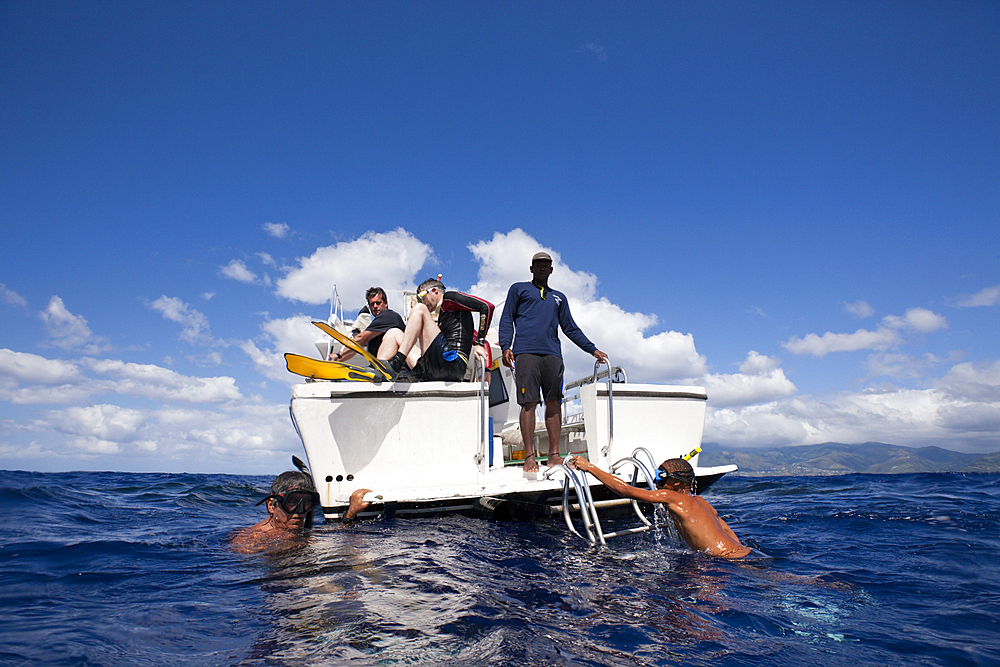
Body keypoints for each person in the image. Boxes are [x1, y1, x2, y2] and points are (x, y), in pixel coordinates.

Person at [497, 251, 608, 472]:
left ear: (551, 269)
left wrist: (592, 349)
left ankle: (554, 455)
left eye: (546, 265)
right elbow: (507, 318)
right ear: (531, 269)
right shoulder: (518, 289)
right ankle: (529, 456)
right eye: (537, 265)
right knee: (528, 403)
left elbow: (570, 328)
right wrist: (505, 346)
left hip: (552, 355)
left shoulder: (559, 298)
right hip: (526, 353)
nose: (541, 268)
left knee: (554, 402)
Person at [568, 456, 752, 559]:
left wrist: (589, 467)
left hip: (726, 559)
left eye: (662, 476)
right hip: (744, 552)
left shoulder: (671, 496)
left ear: (678, 483)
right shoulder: (701, 501)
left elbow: (624, 489)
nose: (657, 481)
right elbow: (726, 529)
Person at [378, 278, 494, 381]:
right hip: (435, 367)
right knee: (394, 333)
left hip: (453, 365)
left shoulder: (449, 298)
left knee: (419, 309)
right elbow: (473, 337)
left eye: (421, 297)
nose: (422, 302)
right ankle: (378, 371)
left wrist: (480, 344)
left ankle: (397, 362)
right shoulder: (445, 320)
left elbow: (487, 306)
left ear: (434, 291)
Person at [231, 470, 371, 552]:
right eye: (292, 502)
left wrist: (351, 513)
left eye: (306, 503)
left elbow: (340, 536)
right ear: (271, 505)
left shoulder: (299, 531)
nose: (299, 512)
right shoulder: (251, 538)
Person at [329, 287, 404, 362]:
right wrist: (340, 359)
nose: (375, 306)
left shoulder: (388, 316)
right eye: (372, 304)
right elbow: (358, 346)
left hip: (397, 371)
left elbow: (362, 338)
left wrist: (339, 356)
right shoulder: (379, 326)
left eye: (378, 303)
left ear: (386, 303)